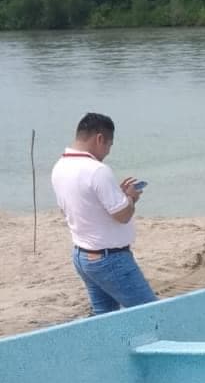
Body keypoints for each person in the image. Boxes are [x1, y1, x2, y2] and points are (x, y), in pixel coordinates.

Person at [51, 112, 157, 315]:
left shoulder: (59, 167)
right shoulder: (97, 170)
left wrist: (116, 195)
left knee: (104, 318)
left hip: (82, 255)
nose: (107, 152)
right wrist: (131, 198)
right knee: (152, 314)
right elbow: (123, 215)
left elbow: (76, 206)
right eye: (108, 146)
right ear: (100, 139)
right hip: (109, 258)